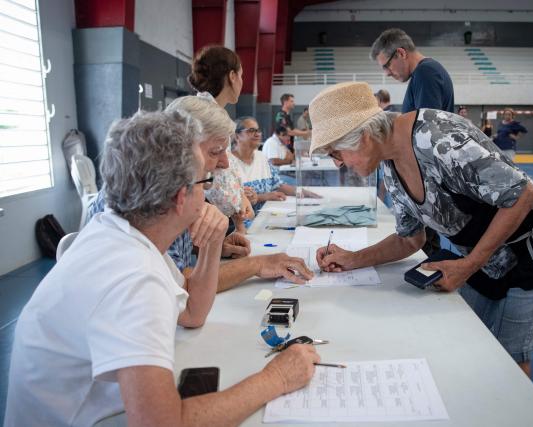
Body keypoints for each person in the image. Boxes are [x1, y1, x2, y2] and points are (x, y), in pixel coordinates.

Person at [4, 110, 319, 427]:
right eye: (204, 182)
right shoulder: (135, 277)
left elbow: (193, 313)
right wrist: (275, 379)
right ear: (182, 196)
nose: (208, 191)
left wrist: (210, 245)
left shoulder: (121, 234)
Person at [309, 82, 533, 376]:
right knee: (469, 337)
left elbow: (523, 195)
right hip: (485, 254)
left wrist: (469, 264)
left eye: (335, 153)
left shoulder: (438, 139)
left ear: (363, 138)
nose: (338, 164)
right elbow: (410, 239)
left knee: (511, 357)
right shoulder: (388, 161)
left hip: (532, 246)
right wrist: (353, 258)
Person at [88, 97, 315, 288]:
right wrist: (256, 265)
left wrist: (212, 246)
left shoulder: (180, 184)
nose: (225, 163)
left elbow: (170, 259)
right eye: (216, 152)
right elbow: (178, 284)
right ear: (181, 147)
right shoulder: (155, 195)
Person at [371, 28, 454, 257]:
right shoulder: (421, 75)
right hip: (423, 181)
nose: (387, 73)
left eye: (387, 65)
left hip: (426, 180)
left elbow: (425, 135)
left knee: (426, 247)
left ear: (400, 53)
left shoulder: (426, 73)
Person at [188, 44, 254, 233]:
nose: (242, 82)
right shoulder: (207, 116)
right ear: (232, 77)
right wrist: (239, 204)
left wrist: (241, 193)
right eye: (241, 76)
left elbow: (224, 166)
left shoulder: (206, 109)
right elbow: (217, 184)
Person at [231, 117, 319, 213]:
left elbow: (277, 185)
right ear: (237, 136)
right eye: (251, 130)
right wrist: (264, 197)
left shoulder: (261, 157)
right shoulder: (228, 162)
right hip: (245, 222)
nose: (257, 134)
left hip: (267, 213)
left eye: (258, 130)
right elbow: (231, 200)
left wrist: (301, 192)